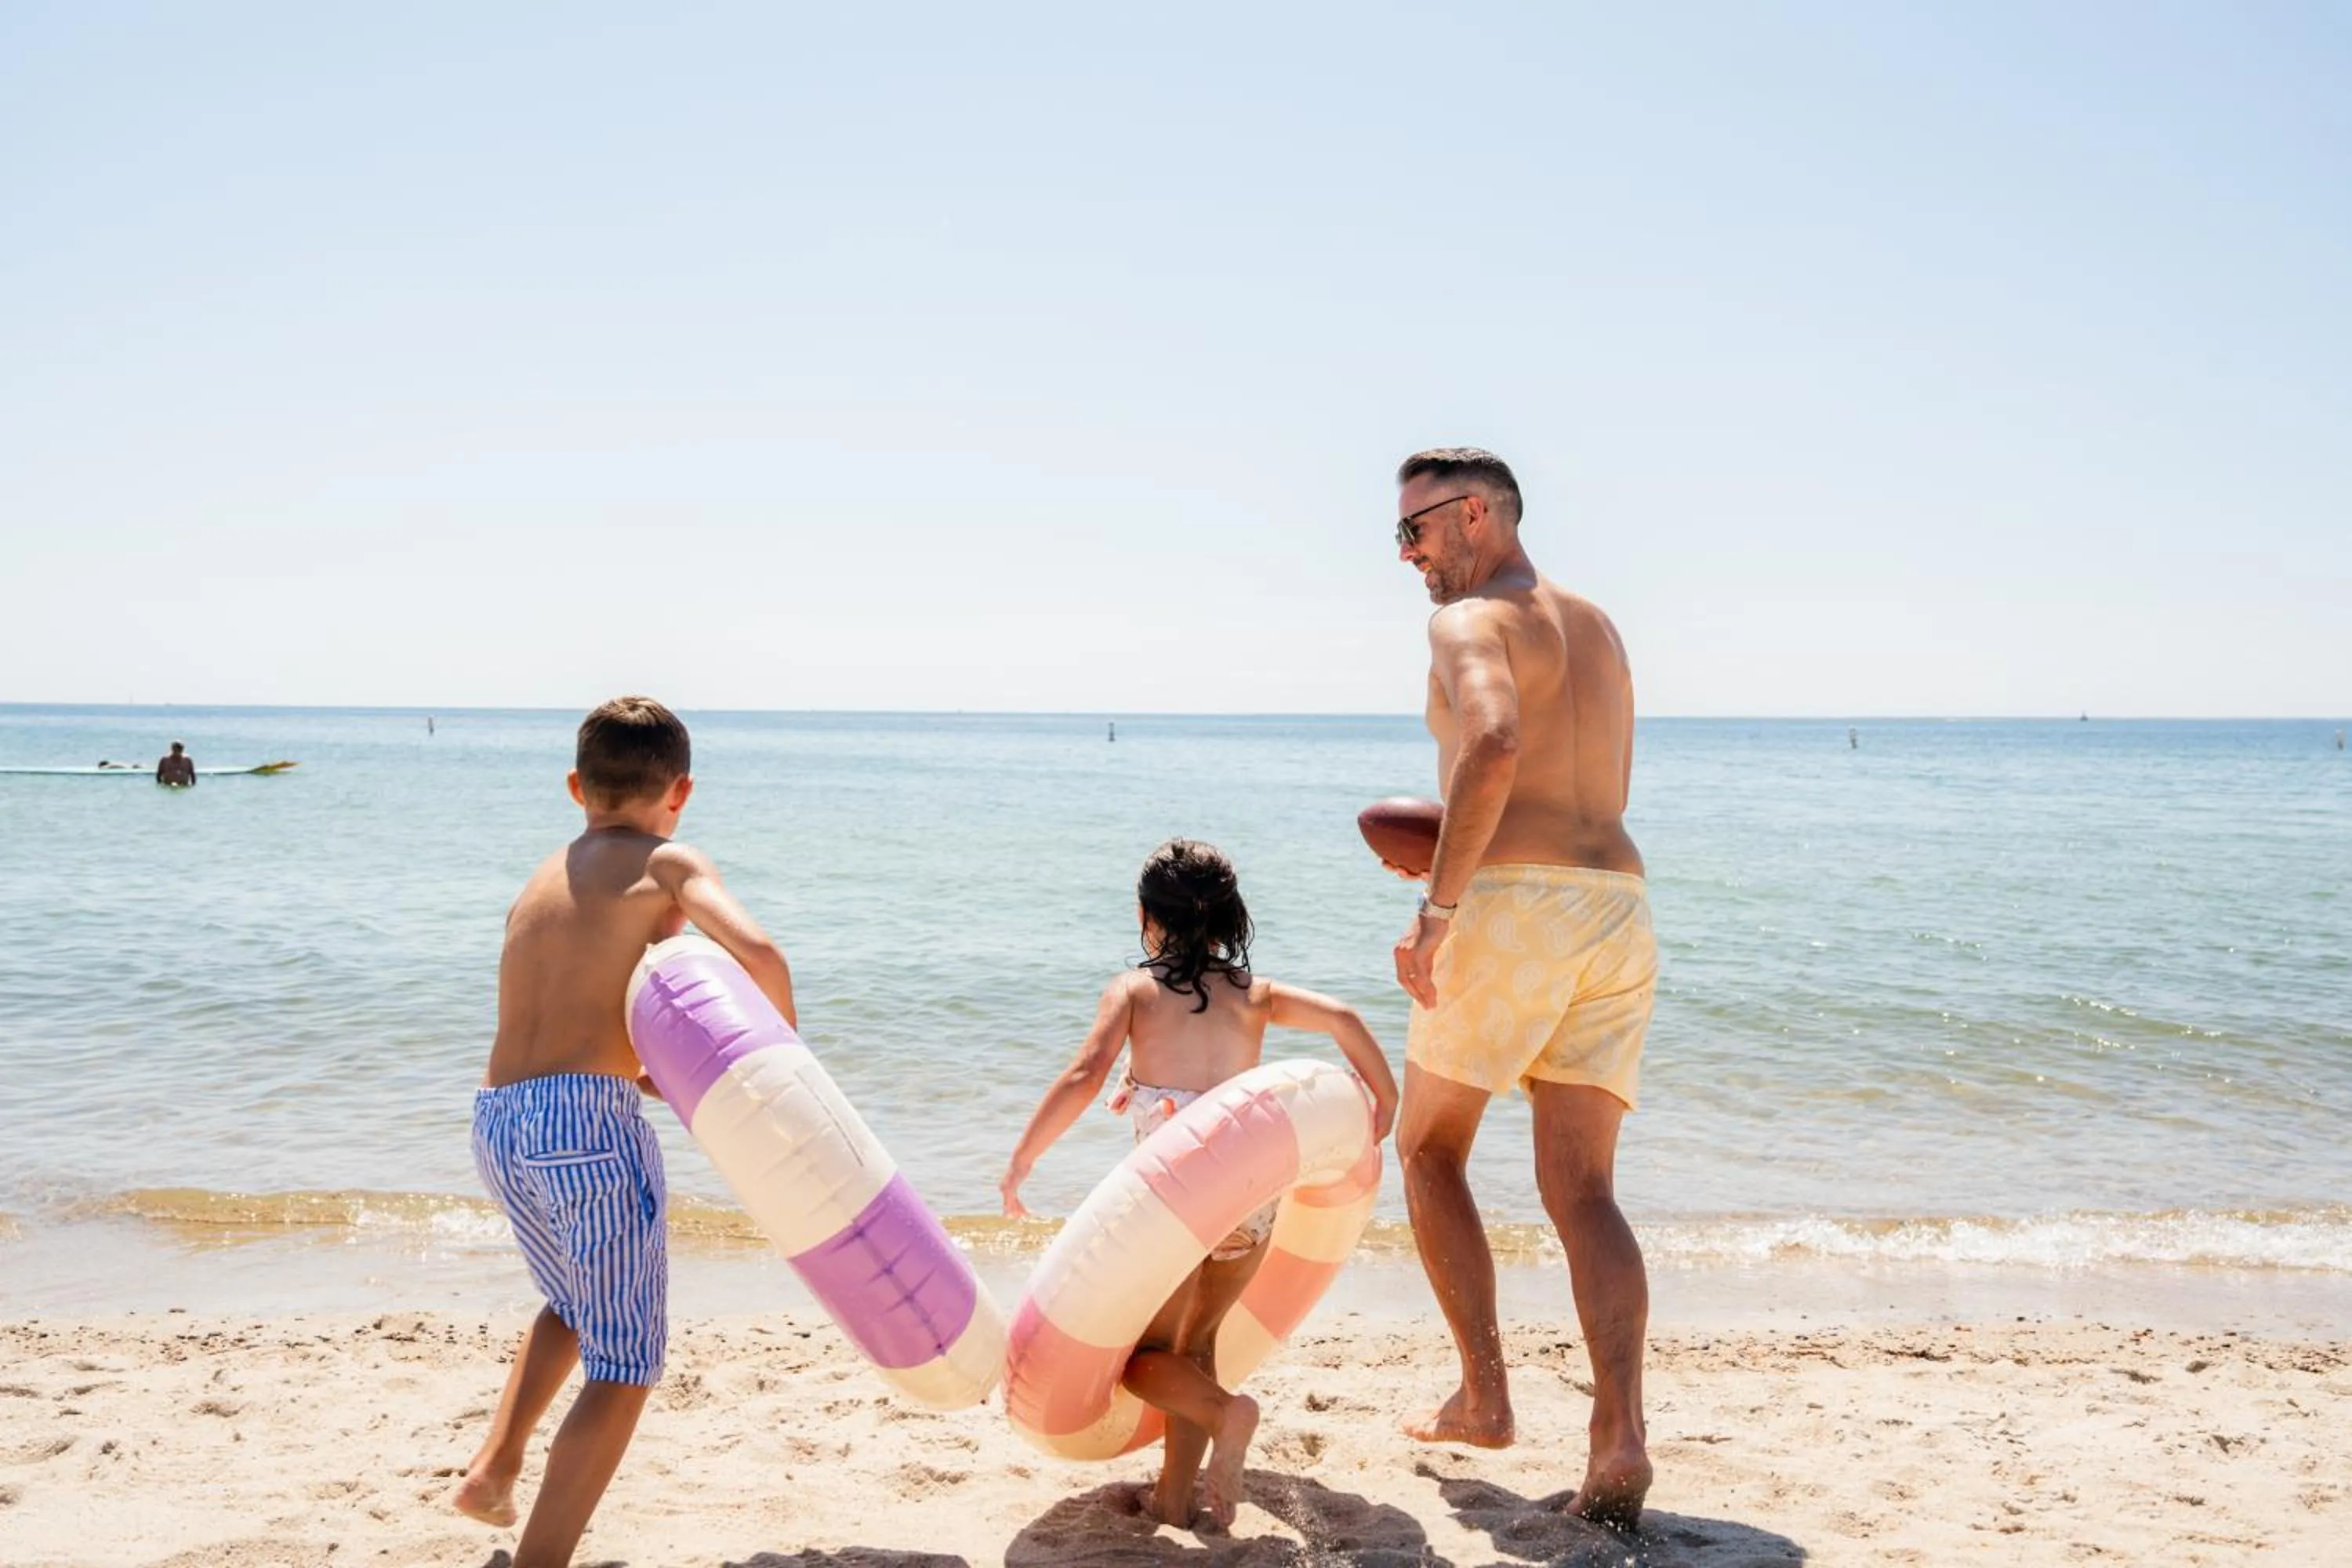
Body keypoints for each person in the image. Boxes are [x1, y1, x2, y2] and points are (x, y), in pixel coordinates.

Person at [452, 695, 795, 1566]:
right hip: (585, 1126)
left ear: (577, 787)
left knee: (574, 1303)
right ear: (680, 790)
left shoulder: (544, 873)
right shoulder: (669, 859)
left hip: (499, 1116)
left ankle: (493, 1466)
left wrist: (639, 1063)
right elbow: (762, 957)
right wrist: (778, 1078)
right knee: (628, 1360)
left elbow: (574, 997)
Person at [1385, 447, 1657, 1529]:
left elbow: (1494, 741)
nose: (1407, 555)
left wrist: (1441, 906)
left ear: (1482, 516)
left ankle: (1485, 1394)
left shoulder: (1468, 625)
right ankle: (1619, 1433)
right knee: (1584, 1191)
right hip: (1618, 906)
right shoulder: (1598, 628)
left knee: (1426, 1146)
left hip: (1515, 905)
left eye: (1418, 530)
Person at [1000, 839, 1398, 1531]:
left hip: (1175, 1210)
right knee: (1201, 1346)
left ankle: (1227, 1413)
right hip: (1252, 1203)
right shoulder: (1253, 995)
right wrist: (1383, 1103)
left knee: (1144, 1358)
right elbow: (1345, 1018)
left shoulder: (1135, 991)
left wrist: (1024, 1157)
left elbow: (1083, 1075)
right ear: (1226, 918)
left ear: (1146, 916)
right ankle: (1176, 1500)